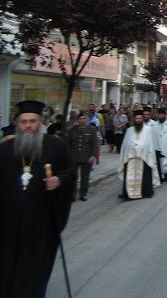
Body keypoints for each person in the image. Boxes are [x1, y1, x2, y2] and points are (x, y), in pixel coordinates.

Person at [0, 100, 76, 297]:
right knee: (7, 262)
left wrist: (59, 180)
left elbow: (70, 171)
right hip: (8, 223)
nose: (28, 125)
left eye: (32, 121)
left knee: (34, 265)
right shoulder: (5, 150)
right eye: (24, 121)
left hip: (40, 223)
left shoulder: (55, 146)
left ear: (40, 122)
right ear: (17, 123)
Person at [118, 110, 161, 200]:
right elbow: (126, 144)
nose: (138, 120)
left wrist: (141, 148)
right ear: (134, 119)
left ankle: (144, 192)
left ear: (142, 119)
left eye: (140, 118)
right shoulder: (129, 130)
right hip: (131, 157)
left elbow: (149, 143)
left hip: (144, 158)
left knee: (144, 176)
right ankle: (128, 193)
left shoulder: (148, 130)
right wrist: (132, 147)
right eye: (137, 118)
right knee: (129, 175)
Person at [66, 112, 98, 201]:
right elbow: (68, 144)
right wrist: (68, 156)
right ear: (77, 119)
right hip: (74, 157)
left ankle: (83, 194)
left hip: (86, 157)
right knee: (73, 177)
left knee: (85, 177)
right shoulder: (73, 129)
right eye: (80, 119)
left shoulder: (91, 130)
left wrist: (92, 156)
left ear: (86, 119)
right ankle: (72, 194)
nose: (82, 120)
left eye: (84, 119)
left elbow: (94, 145)